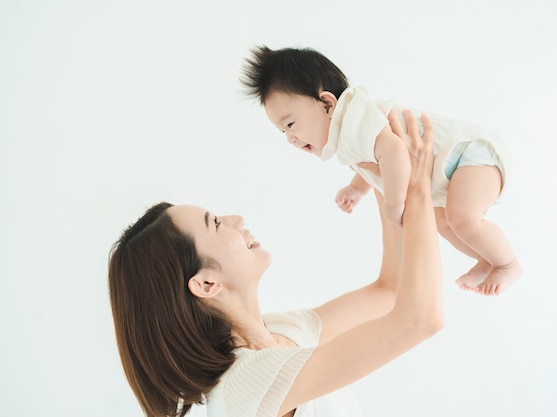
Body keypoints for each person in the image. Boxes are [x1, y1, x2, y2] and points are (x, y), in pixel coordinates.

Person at [108, 108, 443, 417]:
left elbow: (390, 290)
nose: (236, 218)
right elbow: (420, 319)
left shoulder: (280, 331)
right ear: (206, 283)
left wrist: (380, 168)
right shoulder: (245, 380)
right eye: (215, 223)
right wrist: (417, 188)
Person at [240, 44, 522, 296]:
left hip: (468, 155)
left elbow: (394, 151)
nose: (289, 138)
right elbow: (374, 164)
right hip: (453, 170)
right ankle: (486, 258)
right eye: (282, 132)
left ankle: (507, 264)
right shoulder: (347, 134)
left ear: (327, 104)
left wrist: (393, 204)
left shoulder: (354, 119)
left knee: (461, 218)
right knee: (444, 221)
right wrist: (357, 187)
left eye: (290, 125)